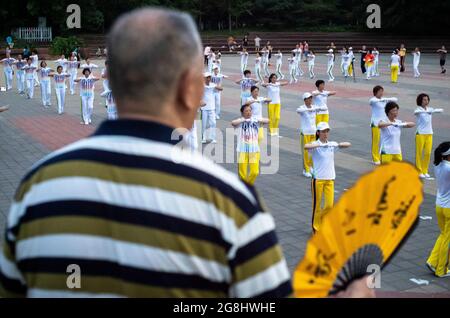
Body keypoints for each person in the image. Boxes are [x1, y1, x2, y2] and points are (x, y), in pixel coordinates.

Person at [305, 122, 351, 232]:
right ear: (318, 132)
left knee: (329, 206)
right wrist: (320, 145)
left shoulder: (331, 144)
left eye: (327, 131)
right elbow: (306, 146)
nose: (325, 134)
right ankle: (316, 228)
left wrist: (337, 145)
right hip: (318, 180)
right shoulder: (315, 145)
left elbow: (347, 144)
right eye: (323, 131)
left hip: (330, 179)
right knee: (317, 206)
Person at [426, 142, 450, 278]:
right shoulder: (448, 168)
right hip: (449, 208)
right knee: (448, 239)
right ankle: (441, 269)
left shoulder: (437, 165)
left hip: (439, 205)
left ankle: (432, 261)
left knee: (443, 235)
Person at [232, 104, 269, 185]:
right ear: (242, 113)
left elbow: (267, 121)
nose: (248, 112)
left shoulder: (255, 120)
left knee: (255, 172)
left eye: (250, 110)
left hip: (254, 150)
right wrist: (243, 120)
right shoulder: (240, 121)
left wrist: (257, 119)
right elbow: (233, 123)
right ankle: (244, 188)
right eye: (246, 111)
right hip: (242, 150)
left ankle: (247, 185)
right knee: (242, 173)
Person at [297, 92, 327, 178]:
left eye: (311, 98)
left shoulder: (314, 107)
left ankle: (310, 167)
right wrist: (308, 110)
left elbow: (324, 107)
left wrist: (317, 108)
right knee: (306, 152)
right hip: (305, 133)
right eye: (308, 98)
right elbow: (298, 111)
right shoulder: (302, 108)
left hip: (313, 132)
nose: (310, 100)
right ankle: (305, 169)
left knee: (313, 151)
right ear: (304, 100)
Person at [414, 93, 444, 179]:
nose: (426, 101)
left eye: (427, 99)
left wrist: (434, 110)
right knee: (419, 153)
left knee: (427, 153)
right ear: (420, 101)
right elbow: (415, 112)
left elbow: (439, 110)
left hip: (429, 133)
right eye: (424, 100)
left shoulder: (430, 109)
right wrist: (427, 111)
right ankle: (419, 171)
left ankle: (425, 170)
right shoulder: (418, 109)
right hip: (420, 134)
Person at [369, 86, 398, 165]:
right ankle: (375, 158)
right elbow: (371, 101)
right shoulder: (373, 100)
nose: (381, 93)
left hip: (383, 123)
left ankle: (381, 156)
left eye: (382, 91)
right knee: (376, 141)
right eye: (379, 91)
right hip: (375, 123)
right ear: (375, 92)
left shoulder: (384, 100)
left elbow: (395, 99)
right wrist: (383, 99)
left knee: (383, 141)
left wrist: (387, 99)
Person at [201, 72, 222, 143]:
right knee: (203, 123)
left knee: (213, 123)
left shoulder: (213, 85)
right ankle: (203, 137)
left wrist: (216, 86)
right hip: (204, 108)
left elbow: (221, 89)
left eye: (209, 77)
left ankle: (212, 137)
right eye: (207, 77)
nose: (208, 78)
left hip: (212, 107)